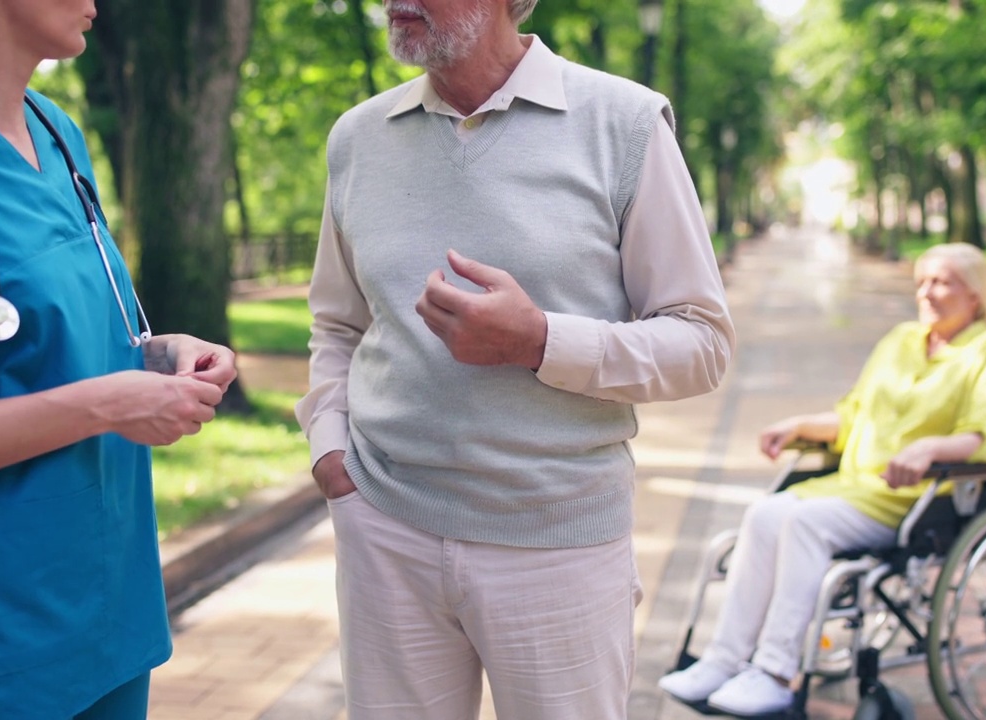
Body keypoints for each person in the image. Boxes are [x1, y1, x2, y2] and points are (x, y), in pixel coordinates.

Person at [295, 1, 736, 718]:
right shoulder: (357, 138)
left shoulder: (622, 122)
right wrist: (330, 449)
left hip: (556, 541)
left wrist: (540, 343)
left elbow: (703, 342)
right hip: (385, 526)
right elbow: (338, 321)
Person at [0, 0, 238, 717]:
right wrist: (109, 405)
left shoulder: (57, 134)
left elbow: (62, 344)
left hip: (112, 612)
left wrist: (163, 356)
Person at [657, 242, 986, 716]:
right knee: (766, 512)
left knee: (803, 524)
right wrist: (800, 426)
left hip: (917, 498)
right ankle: (724, 659)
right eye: (922, 282)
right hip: (850, 486)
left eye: (942, 282)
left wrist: (929, 447)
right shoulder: (901, 341)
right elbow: (852, 417)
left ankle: (774, 672)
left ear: (975, 295)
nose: (927, 292)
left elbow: (982, 436)